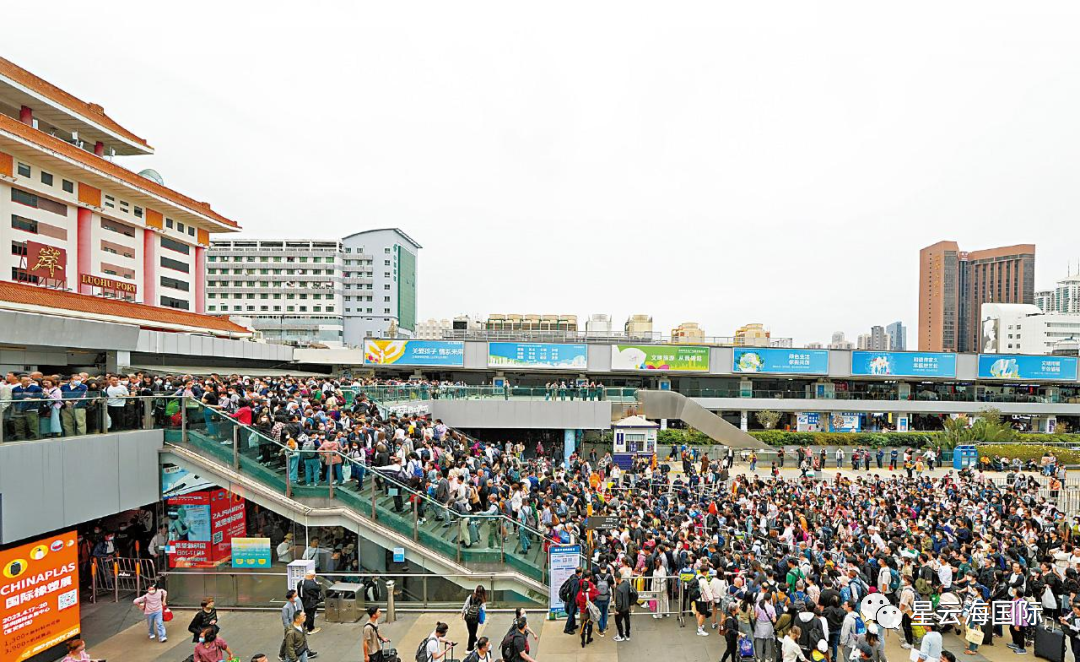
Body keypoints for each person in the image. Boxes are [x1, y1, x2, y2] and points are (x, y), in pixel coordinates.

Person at [461, 585, 487, 652]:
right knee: (472, 633)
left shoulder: (470, 597)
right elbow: (483, 609)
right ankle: (470, 648)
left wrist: (462, 612)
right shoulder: (482, 601)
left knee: (471, 632)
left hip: (468, 617)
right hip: (475, 619)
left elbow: (466, 605)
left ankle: (475, 640)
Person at [613, 571, 632, 642]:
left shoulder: (618, 588)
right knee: (627, 621)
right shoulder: (627, 584)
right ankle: (627, 635)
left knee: (618, 622)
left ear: (617, 578)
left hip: (621, 609)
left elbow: (619, 602)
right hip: (627, 606)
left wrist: (617, 610)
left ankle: (621, 635)